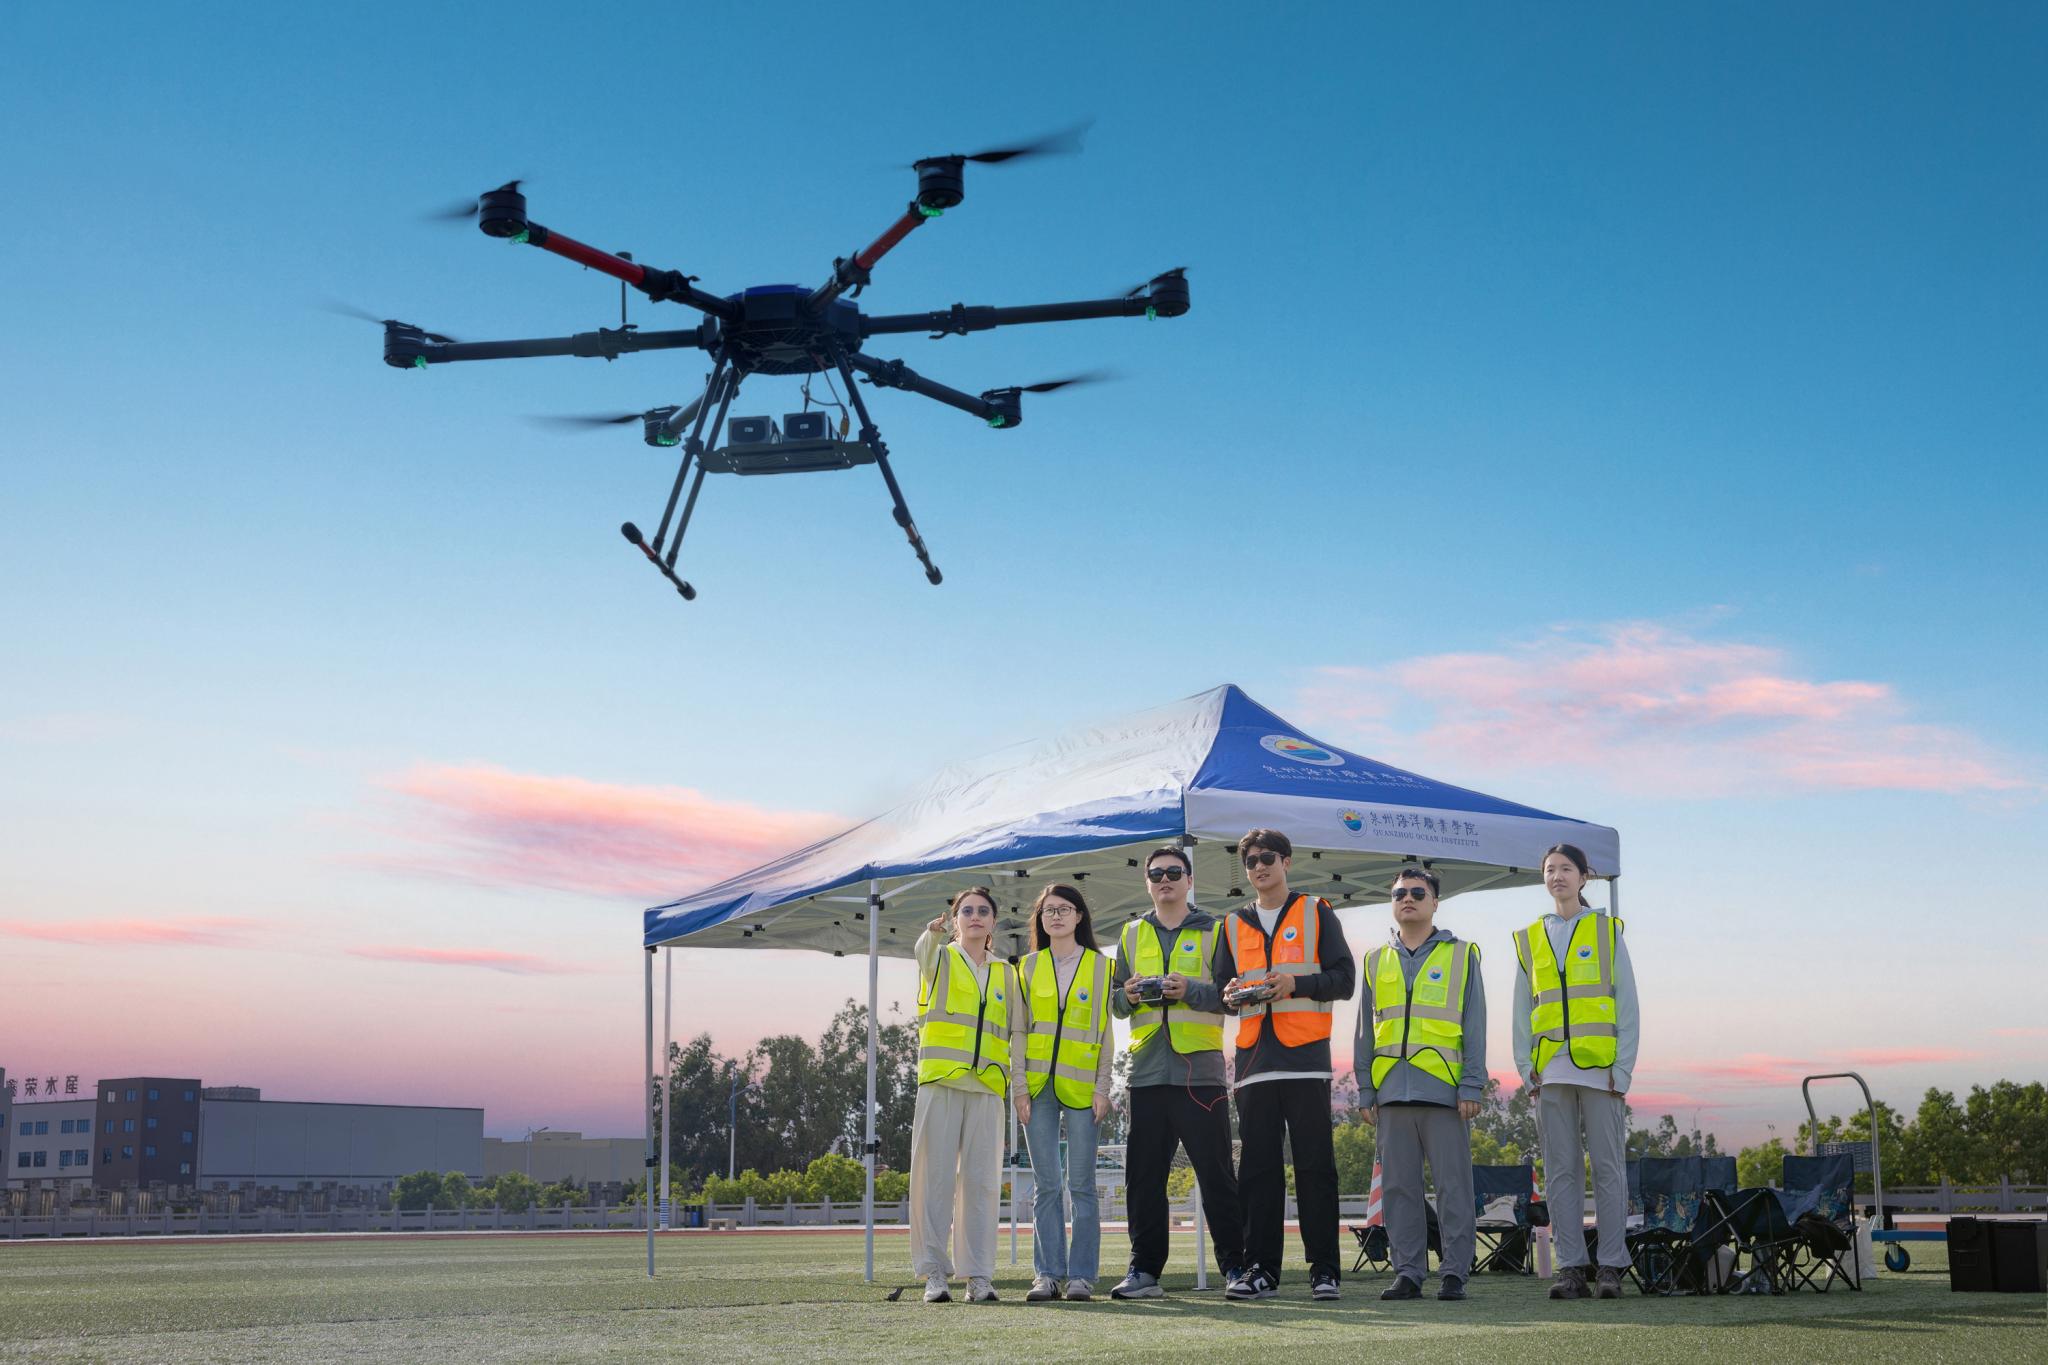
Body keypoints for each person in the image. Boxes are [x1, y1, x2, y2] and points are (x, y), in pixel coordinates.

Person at [1215, 827, 1356, 1301]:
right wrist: (1231, 995)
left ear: (1287, 862)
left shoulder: (1316, 911)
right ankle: (1260, 1270)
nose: (1259, 866)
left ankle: (1324, 1271)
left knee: (1316, 1168)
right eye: (1251, 861)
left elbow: (1344, 979)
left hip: (1306, 1059)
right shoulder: (1232, 924)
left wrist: (1296, 985)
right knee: (1257, 1172)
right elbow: (1223, 992)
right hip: (1254, 1062)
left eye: (1267, 858)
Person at [1106, 845, 1246, 1300]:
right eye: (1156, 874)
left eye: (1173, 872)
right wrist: (1127, 995)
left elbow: (1232, 997)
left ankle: (1236, 1267)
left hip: (1200, 1075)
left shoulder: (1217, 930)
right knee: (1143, 1180)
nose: (1164, 879)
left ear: (1189, 880)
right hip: (1146, 1073)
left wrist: (1190, 991)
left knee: (1217, 1175)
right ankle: (1144, 1271)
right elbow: (1115, 1002)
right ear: (1147, 883)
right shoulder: (1130, 934)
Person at [1512, 842, 1639, 1301]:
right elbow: (1521, 1009)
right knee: (1560, 1173)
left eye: (1566, 868)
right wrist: (1526, 1068)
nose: (1557, 876)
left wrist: (1623, 1068)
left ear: (1584, 877)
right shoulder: (1530, 938)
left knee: (1609, 1169)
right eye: (1550, 869)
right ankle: (1571, 1268)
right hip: (1551, 1073)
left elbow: (1627, 1004)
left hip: (1601, 1070)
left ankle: (1611, 1266)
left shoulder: (1606, 931)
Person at [1353, 866, 1486, 1302]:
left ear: (1434, 903)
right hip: (1391, 1092)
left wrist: (1471, 1085)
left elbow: (1475, 1024)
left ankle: (1455, 1272)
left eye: (1416, 892)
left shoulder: (1462, 955)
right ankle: (1408, 1272)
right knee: (1397, 1189)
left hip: (1444, 1091)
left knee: (1454, 1188)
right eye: (1399, 893)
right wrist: (1366, 1090)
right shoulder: (1375, 960)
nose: (1407, 898)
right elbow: (1364, 1031)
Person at [910, 886, 1023, 1304]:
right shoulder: (938, 957)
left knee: (983, 1186)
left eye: (983, 911)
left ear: (994, 922)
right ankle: (935, 1274)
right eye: (967, 911)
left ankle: (979, 1277)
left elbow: (1016, 1031)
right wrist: (932, 933)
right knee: (935, 1182)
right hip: (941, 1083)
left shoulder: (1007, 974)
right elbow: (922, 952)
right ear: (955, 919)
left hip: (988, 1088)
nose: (975, 916)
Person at [1014, 882, 1114, 1302]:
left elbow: (1105, 1032)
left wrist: (1103, 1088)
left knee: (1083, 1186)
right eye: (1048, 910)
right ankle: (1048, 1275)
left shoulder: (1102, 967)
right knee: (1047, 1186)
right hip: (1037, 1088)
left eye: (1064, 909)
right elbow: (1018, 1031)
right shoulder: (1026, 967)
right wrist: (1019, 1087)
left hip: (1083, 1089)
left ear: (1079, 916)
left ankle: (1081, 1277)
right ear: (1040, 919)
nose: (1056, 916)